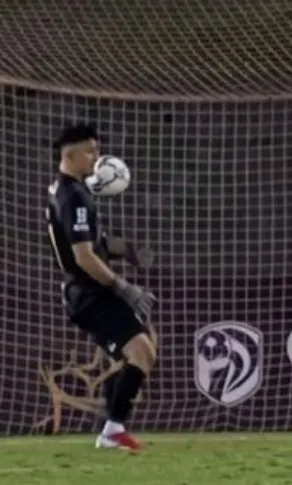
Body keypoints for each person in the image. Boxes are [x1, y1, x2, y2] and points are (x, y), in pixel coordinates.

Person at [44, 123, 157, 451]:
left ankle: (112, 426)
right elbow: (83, 256)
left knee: (139, 353)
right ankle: (111, 430)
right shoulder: (74, 197)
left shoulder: (66, 189)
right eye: (90, 151)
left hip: (88, 292)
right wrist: (123, 287)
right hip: (89, 294)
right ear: (70, 155)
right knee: (141, 352)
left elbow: (94, 242)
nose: (97, 157)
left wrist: (127, 250)